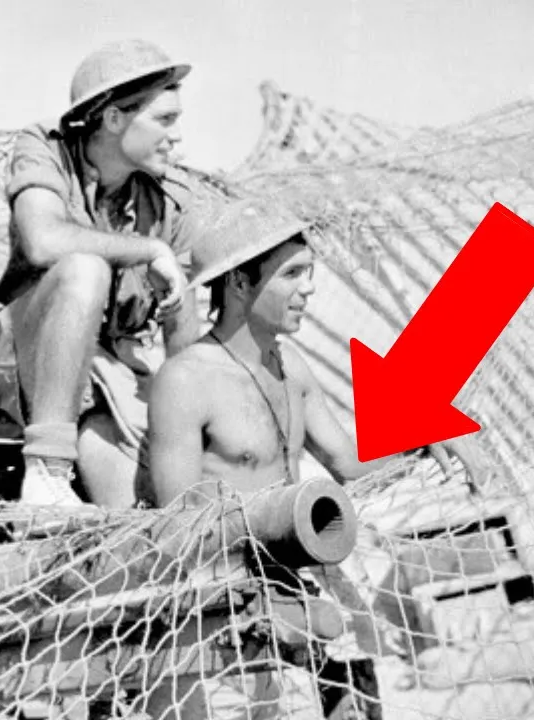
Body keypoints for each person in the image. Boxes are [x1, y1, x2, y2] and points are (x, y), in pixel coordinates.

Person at [144, 198, 489, 719]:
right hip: (223, 615)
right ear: (239, 283)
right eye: (292, 274)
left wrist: (426, 434)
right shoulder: (186, 380)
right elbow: (180, 527)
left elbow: (348, 464)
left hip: (299, 589)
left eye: (310, 273)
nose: (308, 288)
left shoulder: (293, 369)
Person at [0, 39, 214, 507]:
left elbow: (181, 338)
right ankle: (47, 472)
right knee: (85, 270)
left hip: (116, 376)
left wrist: (190, 436)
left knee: (145, 511)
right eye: (164, 120)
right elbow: (43, 239)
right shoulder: (46, 148)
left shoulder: (171, 198)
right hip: (24, 350)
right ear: (113, 119)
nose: (176, 137)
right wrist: (148, 250)